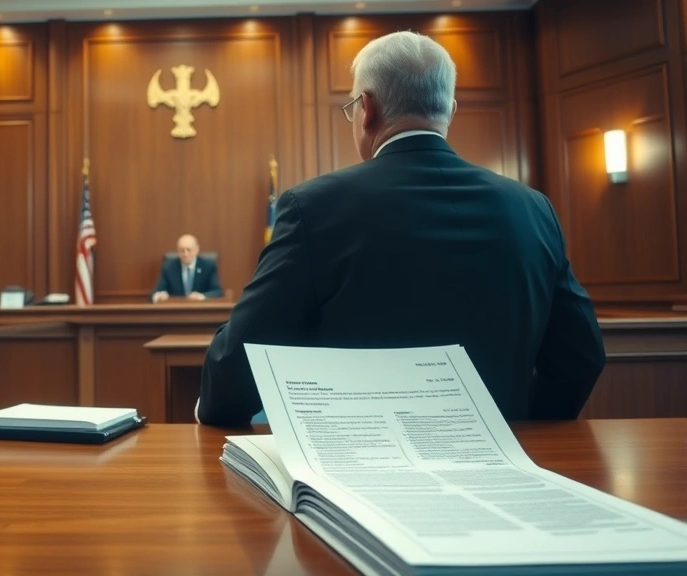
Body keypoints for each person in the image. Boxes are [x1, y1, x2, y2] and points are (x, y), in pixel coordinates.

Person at [196, 31, 605, 426]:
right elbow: (581, 357)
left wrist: (214, 403)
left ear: (367, 108)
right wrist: (517, 427)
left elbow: (235, 374)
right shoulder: (533, 209)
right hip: (505, 473)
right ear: (449, 111)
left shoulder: (314, 208)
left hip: (357, 481)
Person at [152, 234, 224, 303]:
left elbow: (217, 291)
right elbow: (156, 292)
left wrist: (202, 296)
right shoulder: (169, 267)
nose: (185, 254)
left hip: (200, 311)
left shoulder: (208, 266)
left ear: (197, 249)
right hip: (175, 311)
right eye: (182, 250)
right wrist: (159, 295)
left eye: (188, 250)